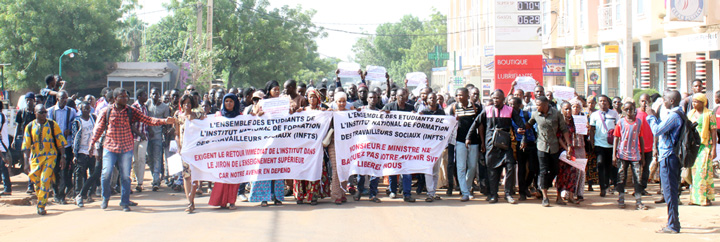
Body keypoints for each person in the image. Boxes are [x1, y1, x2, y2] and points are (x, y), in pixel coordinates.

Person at [90, 88, 175, 212]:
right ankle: (105, 197)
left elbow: (147, 119)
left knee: (125, 176)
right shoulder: (106, 112)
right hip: (110, 147)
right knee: (106, 174)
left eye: (126, 97)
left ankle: (124, 202)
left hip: (126, 148)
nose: (125, 99)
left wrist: (163, 121)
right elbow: (98, 129)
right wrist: (92, 143)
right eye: (122, 97)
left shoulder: (131, 111)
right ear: (115, 99)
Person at [467, 90, 525, 204]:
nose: (495, 100)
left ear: (503, 99)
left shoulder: (510, 110)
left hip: (505, 144)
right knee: (492, 170)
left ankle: (508, 194)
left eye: (498, 98)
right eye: (493, 98)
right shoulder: (487, 110)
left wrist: (522, 135)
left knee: (510, 166)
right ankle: (493, 194)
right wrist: (468, 137)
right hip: (491, 144)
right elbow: (476, 123)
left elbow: (521, 125)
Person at [645, 90, 683, 234]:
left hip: (669, 156)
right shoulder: (678, 113)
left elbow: (657, 130)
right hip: (672, 156)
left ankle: (673, 225)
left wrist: (651, 117)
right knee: (670, 190)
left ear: (672, 101)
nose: (663, 101)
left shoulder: (673, 116)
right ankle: (673, 221)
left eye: (665, 99)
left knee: (669, 191)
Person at [525, 96, 571, 207]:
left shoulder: (556, 114)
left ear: (545, 105)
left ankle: (545, 185)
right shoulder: (535, 114)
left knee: (555, 170)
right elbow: (529, 124)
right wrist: (521, 128)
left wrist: (569, 145)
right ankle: (545, 197)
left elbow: (564, 129)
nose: (536, 107)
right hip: (541, 146)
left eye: (538, 105)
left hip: (554, 147)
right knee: (543, 171)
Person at [22, 104, 67, 215]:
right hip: (35, 158)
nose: (44, 114)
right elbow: (26, 146)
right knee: (37, 182)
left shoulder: (52, 124)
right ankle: (42, 198)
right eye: (41, 112)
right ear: (35, 113)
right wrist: (26, 163)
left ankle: (41, 205)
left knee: (45, 179)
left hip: (50, 156)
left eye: (45, 112)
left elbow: (60, 141)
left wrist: (62, 157)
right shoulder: (30, 126)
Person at [294, 89, 331, 205]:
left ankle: (313, 195)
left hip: (316, 148)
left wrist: (328, 112)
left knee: (314, 170)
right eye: (310, 97)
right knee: (300, 169)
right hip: (303, 147)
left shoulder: (322, 111)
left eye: (314, 97)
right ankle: (300, 195)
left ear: (318, 99)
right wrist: (296, 113)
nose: (312, 99)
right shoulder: (303, 111)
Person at [382, 88, 417, 203]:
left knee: (406, 170)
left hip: (406, 144)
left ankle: (406, 193)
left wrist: (416, 116)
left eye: (404, 96)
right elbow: (378, 118)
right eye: (400, 96)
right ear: (396, 96)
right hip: (392, 143)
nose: (402, 98)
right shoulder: (389, 107)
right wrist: (383, 114)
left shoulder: (411, 108)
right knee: (393, 168)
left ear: (407, 97)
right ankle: (393, 190)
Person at [208, 93, 242, 210]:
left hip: (235, 152)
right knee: (222, 176)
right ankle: (220, 201)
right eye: (226, 101)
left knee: (234, 176)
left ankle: (232, 201)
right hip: (222, 152)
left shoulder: (240, 116)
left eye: (231, 101)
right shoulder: (218, 115)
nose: (228, 103)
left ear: (235, 103)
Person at [612, 102, 648, 210]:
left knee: (637, 178)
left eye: (631, 109)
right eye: (626, 109)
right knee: (621, 177)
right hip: (622, 154)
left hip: (635, 155)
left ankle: (638, 201)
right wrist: (614, 155)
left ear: (634, 110)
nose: (629, 111)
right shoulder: (620, 122)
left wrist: (643, 155)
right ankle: (621, 198)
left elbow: (641, 138)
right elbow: (616, 138)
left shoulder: (638, 122)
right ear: (623, 110)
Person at [172, 94, 205, 213]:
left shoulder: (196, 115)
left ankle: (192, 198)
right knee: (186, 175)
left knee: (194, 175)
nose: (187, 105)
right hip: (184, 150)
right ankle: (189, 201)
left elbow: (206, 121)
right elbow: (176, 133)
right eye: (185, 103)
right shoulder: (178, 116)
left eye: (189, 103)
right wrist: (179, 147)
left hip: (195, 149)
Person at [447, 88, 480, 200]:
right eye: (457, 95)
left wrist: (482, 142)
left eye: (461, 95)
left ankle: (467, 186)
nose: (459, 97)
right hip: (460, 141)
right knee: (461, 167)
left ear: (467, 95)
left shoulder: (477, 108)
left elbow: (480, 125)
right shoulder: (454, 108)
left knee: (472, 167)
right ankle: (465, 192)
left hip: (474, 141)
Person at [686, 93, 716, 206]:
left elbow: (713, 131)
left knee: (702, 172)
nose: (694, 104)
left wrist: (713, 149)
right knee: (693, 173)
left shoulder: (709, 114)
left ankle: (703, 199)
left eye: (696, 101)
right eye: (693, 101)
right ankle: (695, 198)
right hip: (693, 147)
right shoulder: (690, 114)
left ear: (703, 103)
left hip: (704, 146)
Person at [47, 90, 76, 204]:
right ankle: (55, 193)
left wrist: (70, 130)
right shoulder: (50, 111)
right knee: (55, 170)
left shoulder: (71, 111)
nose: (64, 100)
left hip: (66, 145)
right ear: (57, 99)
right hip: (54, 146)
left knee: (64, 171)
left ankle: (61, 195)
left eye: (65, 98)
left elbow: (76, 124)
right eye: (61, 98)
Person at [589, 95, 619, 197]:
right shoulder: (594, 115)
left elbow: (618, 128)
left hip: (611, 145)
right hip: (599, 144)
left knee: (610, 166)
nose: (603, 103)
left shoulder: (614, 114)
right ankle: (602, 187)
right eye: (601, 101)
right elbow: (592, 130)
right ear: (598, 103)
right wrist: (592, 143)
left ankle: (610, 185)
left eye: (605, 101)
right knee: (600, 164)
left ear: (608, 103)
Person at [510, 97, 537, 201]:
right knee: (521, 168)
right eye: (510, 104)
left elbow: (532, 123)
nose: (511, 106)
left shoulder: (526, 114)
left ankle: (526, 186)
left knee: (532, 168)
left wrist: (526, 128)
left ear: (519, 104)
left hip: (530, 142)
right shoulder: (510, 117)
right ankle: (522, 192)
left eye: (514, 104)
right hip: (519, 144)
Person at [420, 93, 445, 203]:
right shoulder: (424, 112)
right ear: (427, 100)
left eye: (434, 98)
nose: (433, 99)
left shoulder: (441, 112)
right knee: (428, 170)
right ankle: (430, 192)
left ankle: (433, 192)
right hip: (427, 145)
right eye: (431, 98)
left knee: (435, 170)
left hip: (437, 146)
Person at [70, 102, 95, 207]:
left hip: (92, 151)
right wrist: (75, 154)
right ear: (80, 109)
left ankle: (89, 194)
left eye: (88, 109)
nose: (87, 111)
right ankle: (77, 195)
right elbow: (74, 138)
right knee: (79, 173)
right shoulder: (77, 121)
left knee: (93, 173)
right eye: (85, 109)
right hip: (81, 151)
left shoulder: (93, 119)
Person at [146, 88, 170, 191]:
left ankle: (156, 180)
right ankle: (154, 175)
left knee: (157, 158)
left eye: (157, 94)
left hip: (158, 136)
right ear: (150, 95)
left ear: (159, 95)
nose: (155, 96)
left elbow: (166, 122)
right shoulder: (147, 104)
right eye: (153, 94)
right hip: (147, 136)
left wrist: (165, 134)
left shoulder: (164, 107)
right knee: (149, 158)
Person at [15, 92, 37, 194]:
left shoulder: (37, 112)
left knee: (33, 162)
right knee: (27, 161)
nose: (29, 102)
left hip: (36, 141)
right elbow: (18, 126)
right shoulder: (21, 112)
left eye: (30, 100)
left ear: (34, 100)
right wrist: (15, 139)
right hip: (25, 140)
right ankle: (30, 184)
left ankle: (32, 184)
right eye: (27, 100)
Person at [131, 89, 150, 192]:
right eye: (144, 95)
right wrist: (139, 134)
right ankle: (137, 178)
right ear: (139, 97)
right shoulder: (134, 108)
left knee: (142, 158)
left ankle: (140, 183)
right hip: (135, 137)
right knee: (135, 160)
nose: (146, 97)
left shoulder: (145, 107)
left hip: (144, 137)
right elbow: (132, 124)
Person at [636, 94, 655, 195]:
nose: (644, 103)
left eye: (646, 101)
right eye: (643, 101)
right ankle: (637, 188)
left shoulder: (651, 113)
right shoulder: (635, 113)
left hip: (649, 146)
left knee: (646, 168)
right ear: (639, 102)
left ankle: (643, 187)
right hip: (637, 146)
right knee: (637, 168)